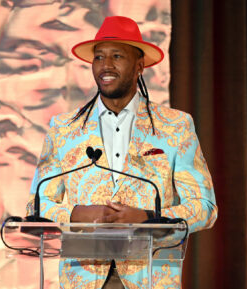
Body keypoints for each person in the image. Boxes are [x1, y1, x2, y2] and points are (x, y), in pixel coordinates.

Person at [27, 16, 218, 289]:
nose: (106, 65)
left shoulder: (175, 127)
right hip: (83, 278)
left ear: (139, 66)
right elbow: (36, 205)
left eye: (117, 56)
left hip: (150, 277)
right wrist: (76, 213)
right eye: (99, 57)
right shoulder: (64, 129)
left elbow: (205, 207)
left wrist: (148, 218)